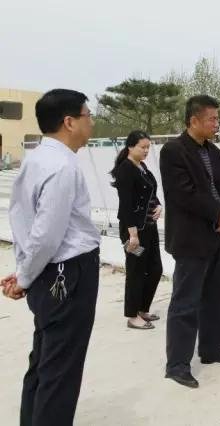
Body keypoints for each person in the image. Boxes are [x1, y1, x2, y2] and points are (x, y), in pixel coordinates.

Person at [1, 89, 101, 426]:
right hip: (68, 274)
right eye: (87, 115)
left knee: (45, 361)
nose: (91, 122)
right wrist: (24, 277)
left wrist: (24, 272)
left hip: (48, 272)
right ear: (69, 122)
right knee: (61, 372)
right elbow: (46, 234)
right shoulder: (61, 167)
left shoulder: (37, 159)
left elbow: (23, 222)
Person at [159, 95, 220, 389]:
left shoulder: (214, 152)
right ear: (194, 120)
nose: (217, 124)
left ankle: (212, 348)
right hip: (191, 238)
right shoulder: (173, 151)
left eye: (218, 119)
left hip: (219, 235)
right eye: (212, 119)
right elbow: (184, 194)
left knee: (214, 296)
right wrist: (219, 214)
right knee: (186, 301)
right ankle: (177, 364)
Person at [110, 130, 163, 330]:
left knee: (155, 269)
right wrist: (132, 235)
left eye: (148, 147)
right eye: (142, 147)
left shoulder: (142, 167)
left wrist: (159, 205)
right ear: (130, 147)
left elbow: (150, 192)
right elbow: (126, 205)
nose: (146, 151)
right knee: (136, 271)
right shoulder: (126, 169)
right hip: (133, 231)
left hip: (149, 227)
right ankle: (132, 316)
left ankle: (142, 308)